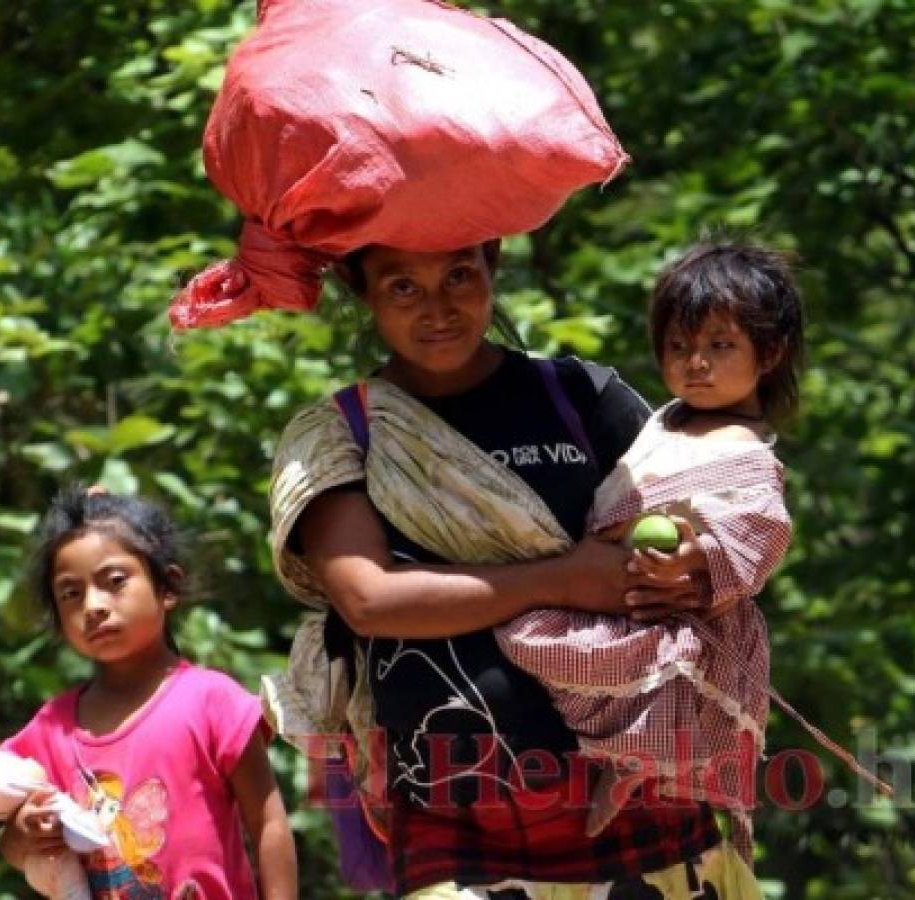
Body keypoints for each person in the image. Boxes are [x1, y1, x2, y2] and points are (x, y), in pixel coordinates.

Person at [268, 240, 762, 898]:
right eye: (402, 287)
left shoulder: (581, 396)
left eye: (459, 275)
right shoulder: (341, 435)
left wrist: (691, 566)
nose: (437, 308)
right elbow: (369, 600)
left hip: (639, 796)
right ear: (362, 290)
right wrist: (562, 578)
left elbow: (710, 509)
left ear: (492, 267)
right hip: (455, 812)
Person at [495, 240, 805, 857]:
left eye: (720, 346)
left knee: (660, 684)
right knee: (529, 635)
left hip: (686, 623)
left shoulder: (749, 453)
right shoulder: (659, 420)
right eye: (679, 347)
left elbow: (760, 529)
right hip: (612, 599)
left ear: (768, 353)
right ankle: (621, 754)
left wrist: (695, 559)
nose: (696, 363)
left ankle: (640, 763)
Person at [0, 486, 297, 900]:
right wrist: (24, 830)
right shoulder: (52, 727)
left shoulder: (211, 699)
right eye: (71, 593)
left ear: (168, 587)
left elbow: (269, 824)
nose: (94, 605)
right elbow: (11, 847)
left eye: (114, 581)